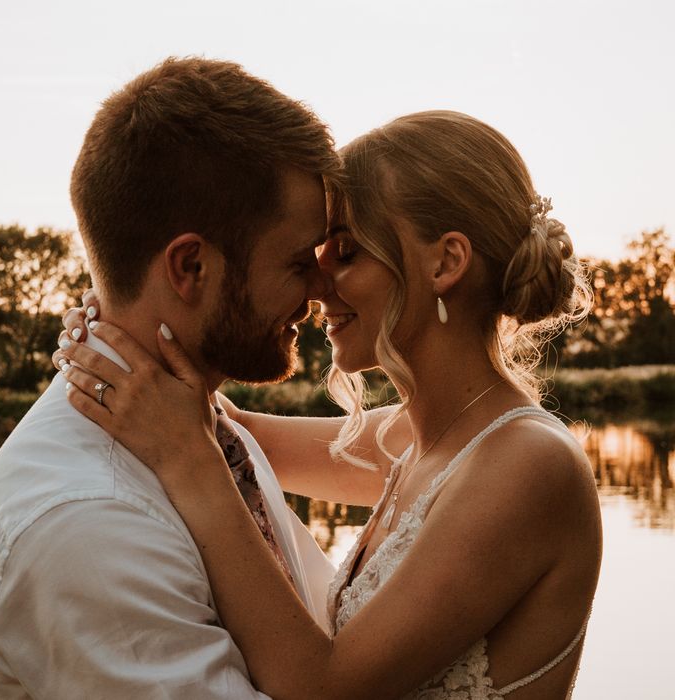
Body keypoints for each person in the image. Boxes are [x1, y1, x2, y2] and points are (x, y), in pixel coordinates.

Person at [55, 111, 603, 699]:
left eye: (344, 252)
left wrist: (190, 463)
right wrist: (125, 321)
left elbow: (324, 686)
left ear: (444, 263)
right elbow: (220, 428)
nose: (315, 286)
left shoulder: (529, 465)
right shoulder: (416, 439)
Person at [0, 56, 356, 698]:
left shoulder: (202, 433)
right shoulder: (86, 523)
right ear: (190, 265)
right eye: (297, 261)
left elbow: (320, 638)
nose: (320, 289)